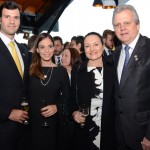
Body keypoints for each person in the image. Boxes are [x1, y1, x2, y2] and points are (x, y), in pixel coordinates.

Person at [112, 4, 150, 150]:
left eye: (126, 23)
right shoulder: (115, 55)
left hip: (143, 134)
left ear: (138, 25)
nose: (122, 28)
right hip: (119, 134)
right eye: (117, 25)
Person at [70, 32, 117, 150]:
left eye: (96, 44)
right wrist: (74, 112)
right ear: (83, 48)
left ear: (102, 45)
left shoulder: (113, 68)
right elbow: (71, 99)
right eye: (87, 46)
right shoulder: (77, 70)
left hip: (109, 132)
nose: (92, 49)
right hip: (84, 130)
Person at [28, 33, 70, 150]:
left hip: (53, 125)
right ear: (37, 49)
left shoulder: (61, 72)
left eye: (50, 46)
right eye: (42, 47)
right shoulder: (30, 70)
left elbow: (68, 97)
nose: (47, 50)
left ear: (54, 48)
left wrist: (57, 106)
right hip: (32, 125)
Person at [0, 1, 29, 150]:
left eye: (16, 17)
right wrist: (7, 113)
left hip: (23, 130)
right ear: (0, 19)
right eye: (7, 17)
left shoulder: (23, 50)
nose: (12, 21)